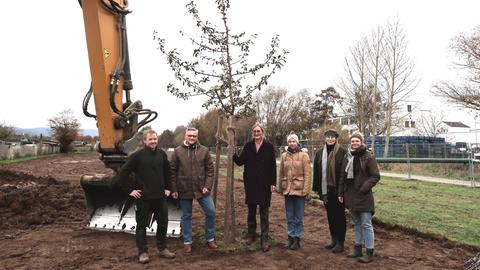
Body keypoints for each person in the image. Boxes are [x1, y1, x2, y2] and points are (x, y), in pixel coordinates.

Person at [119, 129, 175, 264]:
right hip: (143, 198)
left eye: (155, 139)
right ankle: (143, 252)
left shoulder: (162, 155)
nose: (153, 141)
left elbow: (168, 172)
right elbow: (122, 174)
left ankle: (162, 249)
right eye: (150, 139)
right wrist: (129, 190)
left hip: (160, 197)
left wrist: (168, 188)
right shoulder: (136, 156)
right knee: (141, 226)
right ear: (145, 141)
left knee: (163, 223)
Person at [170, 127, 217, 255]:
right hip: (184, 188)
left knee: (211, 211)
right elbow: (172, 171)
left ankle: (210, 238)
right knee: (186, 215)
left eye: (194, 136)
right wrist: (174, 188)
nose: (192, 138)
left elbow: (210, 170)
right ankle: (187, 242)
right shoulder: (178, 151)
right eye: (189, 135)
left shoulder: (204, 151)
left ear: (197, 137)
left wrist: (207, 186)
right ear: (185, 136)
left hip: (201, 188)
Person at [233, 123, 276, 252]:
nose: (256, 133)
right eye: (254, 131)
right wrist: (232, 153)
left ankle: (264, 239)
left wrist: (273, 183)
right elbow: (240, 162)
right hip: (251, 184)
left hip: (264, 184)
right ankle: (251, 235)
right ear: (253, 133)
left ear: (262, 132)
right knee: (251, 212)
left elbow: (273, 166)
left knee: (264, 213)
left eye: (258, 131)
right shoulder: (248, 146)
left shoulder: (269, 147)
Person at [338, 132, 380, 263]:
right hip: (350, 195)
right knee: (356, 223)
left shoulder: (368, 157)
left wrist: (363, 188)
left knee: (366, 224)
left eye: (357, 141)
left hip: (364, 196)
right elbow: (342, 177)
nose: (354, 143)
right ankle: (357, 248)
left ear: (361, 142)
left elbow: (375, 176)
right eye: (352, 141)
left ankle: (369, 251)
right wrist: (340, 193)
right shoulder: (347, 156)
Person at [312, 129, 347, 253]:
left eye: (333, 137)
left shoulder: (343, 152)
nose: (330, 139)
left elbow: (345, 173)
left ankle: (340, 242)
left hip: (338, 190)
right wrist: (316, 189)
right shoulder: (320, 153)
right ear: (325, 138)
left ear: (336, 138)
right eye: (328, 137)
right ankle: (333, 239)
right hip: (325, 190)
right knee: (330, 215)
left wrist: (342, 191)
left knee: (340, 216)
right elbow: (316, 171)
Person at [277, 132, 312, 250]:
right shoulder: (284, 156)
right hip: (288, 190)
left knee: (298, 217)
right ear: (288, 143)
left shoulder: (304, 156)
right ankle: (290, 237)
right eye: (290, 141)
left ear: (297, 142)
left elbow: (308, 174)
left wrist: (306, 189)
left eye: (294, 141)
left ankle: (297, 238)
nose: (292, 143)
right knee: (289, 215)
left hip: (299, 190)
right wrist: (280, 188)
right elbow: (281, 172)